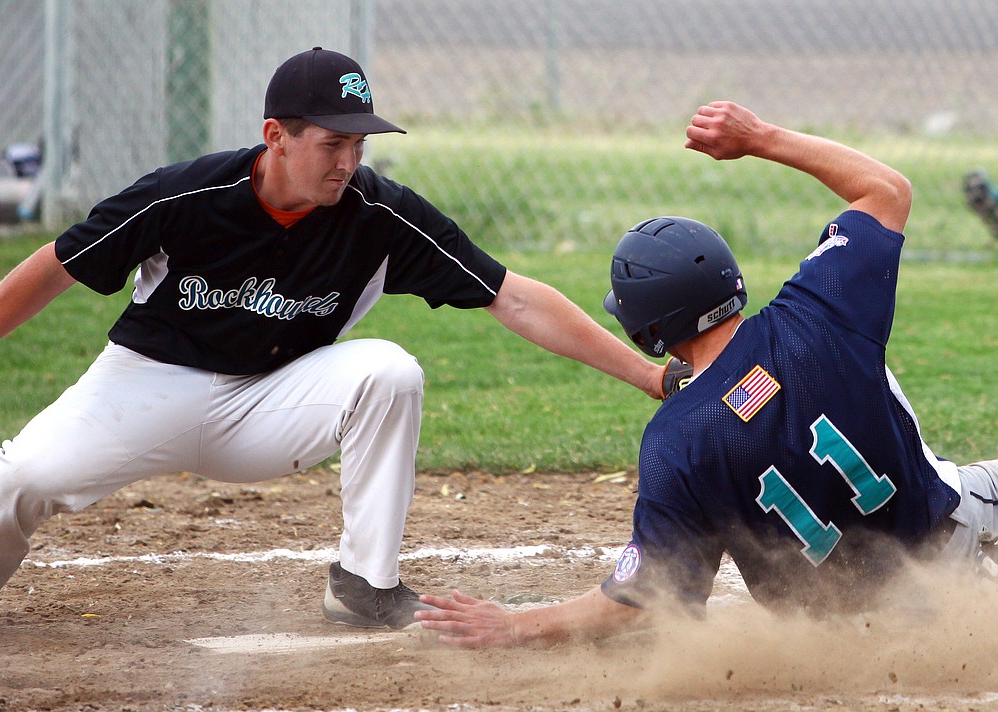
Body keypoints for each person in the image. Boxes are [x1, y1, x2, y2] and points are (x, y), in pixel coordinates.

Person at [0, 47, 685, 642]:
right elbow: (55, 267)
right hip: (146, 385)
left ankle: (364, 585)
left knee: (389, 370)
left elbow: (515, 299)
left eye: (359, 142)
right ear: (276, 134)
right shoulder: (186, 194)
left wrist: (649, 376)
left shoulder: (379, 215)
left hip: (271, 402)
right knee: (26, 476)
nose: (348, 161)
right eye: (331, 141)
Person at [415, 100, 998, 648]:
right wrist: (758, 138)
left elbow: (638, 600)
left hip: (847, 636)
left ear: (649, 333)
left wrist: (515, 625)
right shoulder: (819, 311)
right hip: (949, 542)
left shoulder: (677, 442)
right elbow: (887, 189)